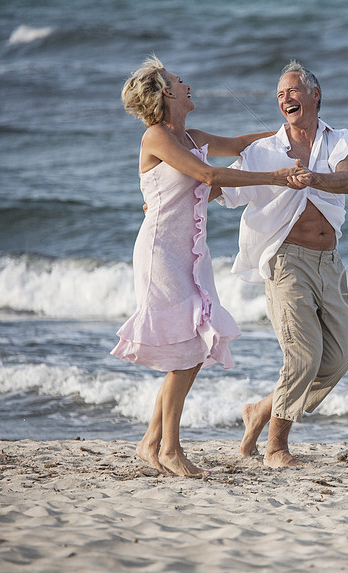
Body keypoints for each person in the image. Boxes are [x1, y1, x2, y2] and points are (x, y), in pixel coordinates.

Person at [113, 55, 302, 477]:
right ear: (166, 92)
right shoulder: (156, 138)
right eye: (180, 81)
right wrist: (275, 177)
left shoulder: (189, 135)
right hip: (160, 251)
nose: (188, 84)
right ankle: (170, 449)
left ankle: (150, 443)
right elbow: (208, 174)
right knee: (191, 347)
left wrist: (291, 133)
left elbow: (237, 147)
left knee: (193, 345)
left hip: (189, 251)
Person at [211, 60, 348, 468]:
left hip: (329, 262)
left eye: (292, 90)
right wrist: (172, 201)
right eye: (279, 94)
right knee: (303, 357)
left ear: (314, 95)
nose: (285, 98)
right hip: (285, 261)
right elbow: (224, 189)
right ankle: (276, 447)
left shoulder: (339, 139)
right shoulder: (263, 152)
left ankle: (260, 410)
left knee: (335, 363)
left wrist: (313, 177)